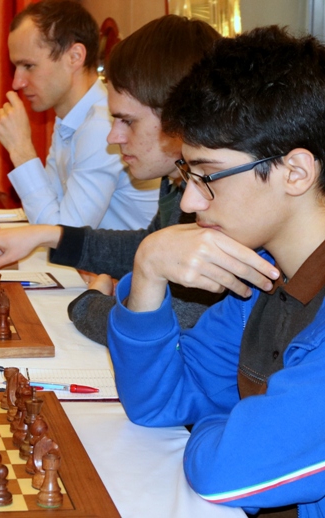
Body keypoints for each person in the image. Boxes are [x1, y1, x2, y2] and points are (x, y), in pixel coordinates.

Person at [108, 27, 325, 517]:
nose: (188, 201)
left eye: (208, 176)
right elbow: (159, 403)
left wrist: (225, 424)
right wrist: (147, 272)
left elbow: (225, 473)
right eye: (187, 177)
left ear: (295, 172)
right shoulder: (264, 276)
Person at [0, 15, 221, 344]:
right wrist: (49, 235)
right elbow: (146, 245)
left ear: (179, 118)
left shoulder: (216, 196)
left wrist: (90, 303)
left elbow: (165, 332)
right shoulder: (177, 177)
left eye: (127, 122)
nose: (113, 138)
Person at [0, 0, 159, 228]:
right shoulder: (70, 119)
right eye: (16, 68)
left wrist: (21, 149)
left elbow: (62, 237)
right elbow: (51, 210)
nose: (17, 83)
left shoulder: (103, 126)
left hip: (126, 264)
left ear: (74, 56)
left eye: (29, 66)